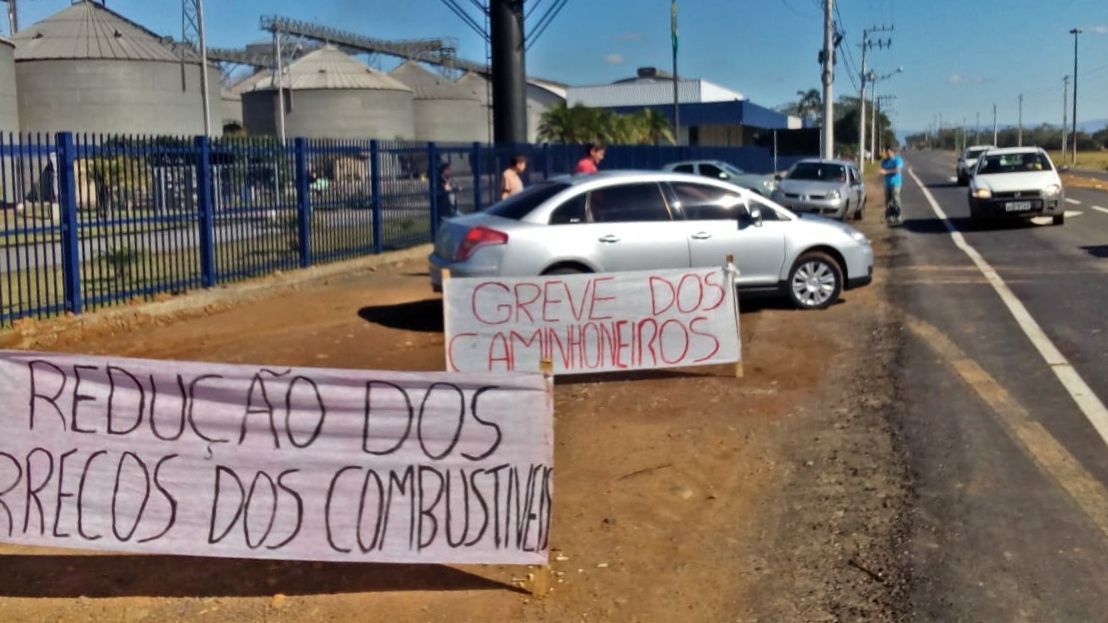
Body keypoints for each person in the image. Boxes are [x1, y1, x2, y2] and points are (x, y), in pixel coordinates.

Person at [880, 146, 904, 225]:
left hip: (896, 183)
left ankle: (898, 215)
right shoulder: (884, 161)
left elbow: (897, 170)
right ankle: (890, 216)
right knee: (888, 200)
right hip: (887, 183)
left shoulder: (897, 160)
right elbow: (881, 170)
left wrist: (886, 172)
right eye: (887, 152)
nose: (887, 154)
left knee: (896, 199)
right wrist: (882, 171)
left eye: (889, 152)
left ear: (893, 152)